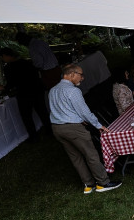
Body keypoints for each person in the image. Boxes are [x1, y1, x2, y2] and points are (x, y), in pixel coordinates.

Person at [49, 64, 121, 194]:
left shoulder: (53, 90)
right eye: (80, 75)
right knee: (91, 155)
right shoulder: (73, 91)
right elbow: (84, 112)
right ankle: (103, 183)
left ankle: (88, 184)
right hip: (73, 128)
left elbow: (63, 109)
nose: (82, 78)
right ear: (71, 74)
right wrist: (99, 125)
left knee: (75, 157)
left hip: (57, 128)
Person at [0, 47, 47, 140]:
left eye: (2, 57)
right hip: (37, 89)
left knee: (27, 116)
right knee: (42, 111)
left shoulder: (9, 67)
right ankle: (49, 130)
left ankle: (33, 136)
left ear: (5, 56)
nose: (3, 59)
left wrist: (4, 88)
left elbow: (11, 82)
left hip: (24, 93)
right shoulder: (27, 62)